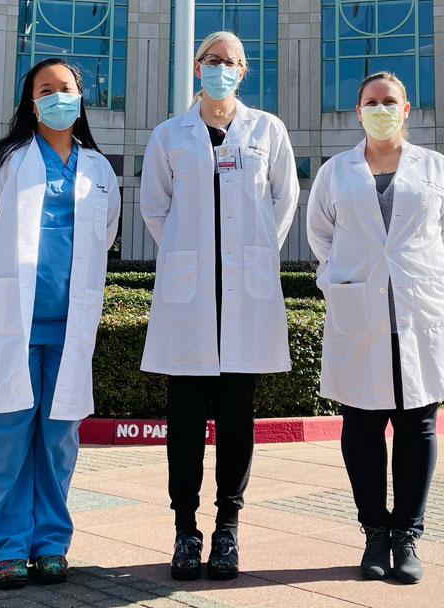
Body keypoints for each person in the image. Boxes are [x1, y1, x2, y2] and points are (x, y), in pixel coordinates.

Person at [0, 58, 120, 590]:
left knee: (56, 441)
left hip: (68, 328)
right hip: (12, 327)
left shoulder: (98, 169)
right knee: (4, 441)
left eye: (65, 88)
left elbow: (106, 235)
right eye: (45, 89)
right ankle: (6, 549)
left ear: (80, 97)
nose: (56, 97)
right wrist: (6, 282)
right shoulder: (2, 160)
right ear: (31, 101)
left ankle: (50, 545)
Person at [140, 30, 299, 581]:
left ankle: (227, 532)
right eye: (212, 60)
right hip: (189, 301)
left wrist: (247, 255)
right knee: (182, 421)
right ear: (195, 66)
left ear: (243, 71)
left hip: (244, 298)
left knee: (237, 420)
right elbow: (156, 208)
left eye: (231, 62)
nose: (220, 68)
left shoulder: (267, 131)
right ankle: (186, 530)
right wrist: (194, 255)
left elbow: (283, 203)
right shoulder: (169, 135)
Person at [306, 71, 444, 584]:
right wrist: (343, 280)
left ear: (406, 109)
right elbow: (319, 233)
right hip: (361, 310)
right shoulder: (336, 171)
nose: (381, 108)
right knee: (362, 424)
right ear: (359, 112)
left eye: (390, 101)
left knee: (417, 423)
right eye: (371, 102)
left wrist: (438, 279)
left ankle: (408, 537)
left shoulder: (436, 168)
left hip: (419, 310)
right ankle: (374, 534)